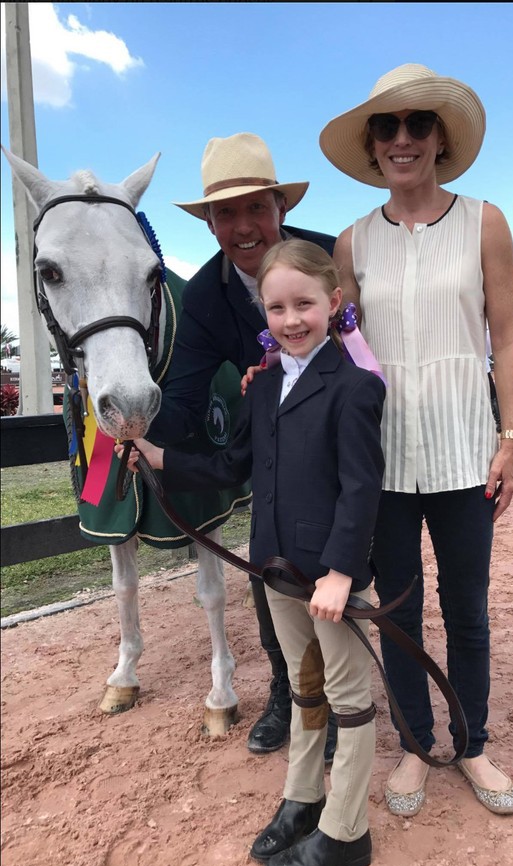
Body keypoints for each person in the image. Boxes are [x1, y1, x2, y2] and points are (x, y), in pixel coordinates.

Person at [121, 239, 386, 866]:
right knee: (303, 687)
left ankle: (347, 830)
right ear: (263, 314)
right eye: (277, 308)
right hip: (272, 566)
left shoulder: (355, 388)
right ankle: (303, 798)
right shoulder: (262, 387)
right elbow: (234, 465)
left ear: (334, 304)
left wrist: (342, 572)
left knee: (349, 696)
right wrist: (161, 460)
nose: (292, 320)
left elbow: (361, 488)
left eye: (305, 305)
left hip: (328, 576)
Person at [319, 63, 513, 817]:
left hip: (466, 449)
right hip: (384, 459)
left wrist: (510, 440)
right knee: (399, 608)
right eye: (387, 127)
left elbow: (506, 337)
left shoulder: (485, 221)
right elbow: (339, 352)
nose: (402, 139)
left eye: (417, 125)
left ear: (440, 138)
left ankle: (472, 744)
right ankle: (414, 745)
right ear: (373, 145)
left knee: (467, 606)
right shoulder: (351, 242)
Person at [147, 133, 338, 760]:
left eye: (256, 207)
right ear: (208, 223)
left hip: (348, 442)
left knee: (355, 573)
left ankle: (350, 691)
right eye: (225, 212)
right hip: (279, 458)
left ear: (280, 207)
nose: (243, 226)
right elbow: (181, 404)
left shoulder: (333, 256)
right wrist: (130, 417)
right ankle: (286, 690)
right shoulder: (203, 297)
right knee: (270, 565)